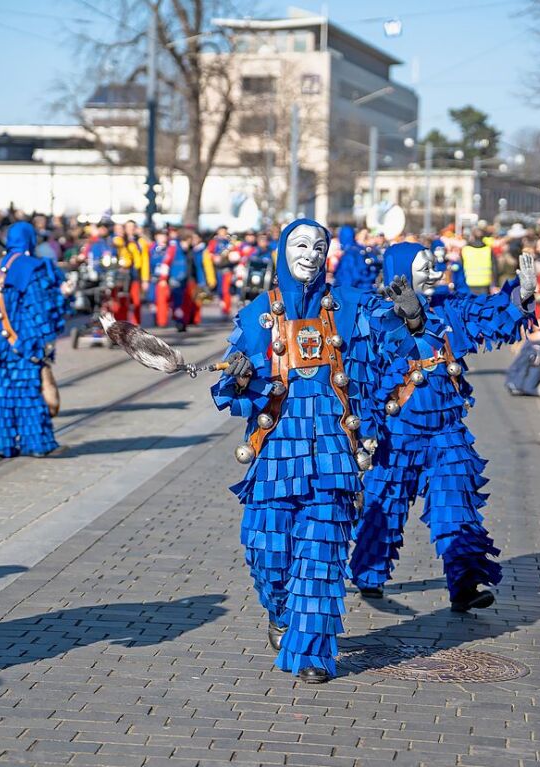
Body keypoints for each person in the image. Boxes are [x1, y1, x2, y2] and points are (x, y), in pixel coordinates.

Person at [211, 218, 393, 684]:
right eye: (300, 245)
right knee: (265, 552)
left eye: (319, 246)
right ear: (281, 250)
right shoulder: (258, 314)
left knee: (320, 556)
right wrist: (240, 377)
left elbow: (391, 348)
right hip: (276, 456)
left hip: (332, 456)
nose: (310, 254)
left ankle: (312, 653)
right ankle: (279, 612)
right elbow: (232, 391)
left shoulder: (350, 307)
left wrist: (410, 315)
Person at [347, 242, 535, 611]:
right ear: (400, 272)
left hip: (447, 432)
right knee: (384, 505)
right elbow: (363, 377)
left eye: (435, 266)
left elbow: (490, 315)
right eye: (425, 268)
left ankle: (465, 583)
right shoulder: (374, 316)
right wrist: (365, 431)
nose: (435, 274)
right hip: (397, 433)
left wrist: (520, 297)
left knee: (457, 506)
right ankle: (368, 574)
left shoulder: (451, 307)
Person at [0, 221, 63, 458]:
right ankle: (35, 443)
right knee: (28, 392)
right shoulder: (34, 268)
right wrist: (46, 341)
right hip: (24, 341)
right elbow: (42, 308)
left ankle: (1, 445)